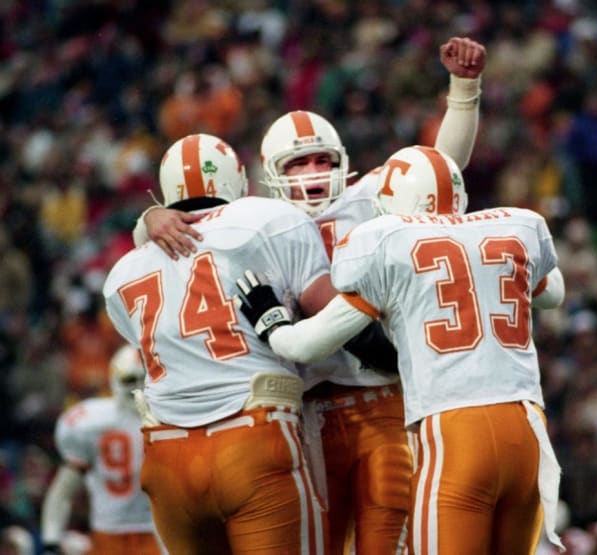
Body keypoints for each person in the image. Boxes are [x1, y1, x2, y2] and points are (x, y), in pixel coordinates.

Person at [132, 37, 487, 554]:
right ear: (269, 173)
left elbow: (443, 165)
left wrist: (464, 90)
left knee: (388, 539)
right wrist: (151, 217)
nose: (313, 172)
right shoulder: (253, 219)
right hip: (305, 414)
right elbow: (178, 234)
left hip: (382, 397)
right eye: (297, 163)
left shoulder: (371, 198)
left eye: (322, 159)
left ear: (343, 160)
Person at [236, 145, 567, 554]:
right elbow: (553, 293)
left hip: (455, 432)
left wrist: (271, 321)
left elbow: (306, 345)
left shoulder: (386, 241)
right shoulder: (516, 227)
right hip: (528, 427)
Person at [103, 132, 393, 554]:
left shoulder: (122, 274)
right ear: (238, 178)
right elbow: (335, 316)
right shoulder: (269, 218)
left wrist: (147, 220)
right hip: (252, 437)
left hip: (165, 459)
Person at [40, 344, 164, 555]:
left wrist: (51, 540)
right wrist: (51, 541)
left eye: (143, 379)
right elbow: (63, 489)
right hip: (108, 536)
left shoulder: (169, 417)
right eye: (129, 380)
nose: (138, 388)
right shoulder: (93, 422)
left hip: (159, 533)